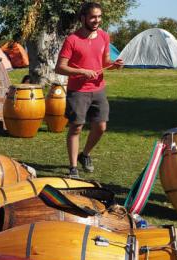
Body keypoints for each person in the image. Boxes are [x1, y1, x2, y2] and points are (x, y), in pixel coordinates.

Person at [55, 1, 123, 179]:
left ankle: (84, 155)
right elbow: (60, 67)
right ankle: (73, 168)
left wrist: (113, 65)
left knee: (100, 127)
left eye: (99, 17)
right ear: (83, 18)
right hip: (78, 91)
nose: (97, 20)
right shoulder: (72, 40)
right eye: (93, 17)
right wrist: (81, 71)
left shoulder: (104, 36)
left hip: (98, 89)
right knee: (76, 128)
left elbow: (105, 60)